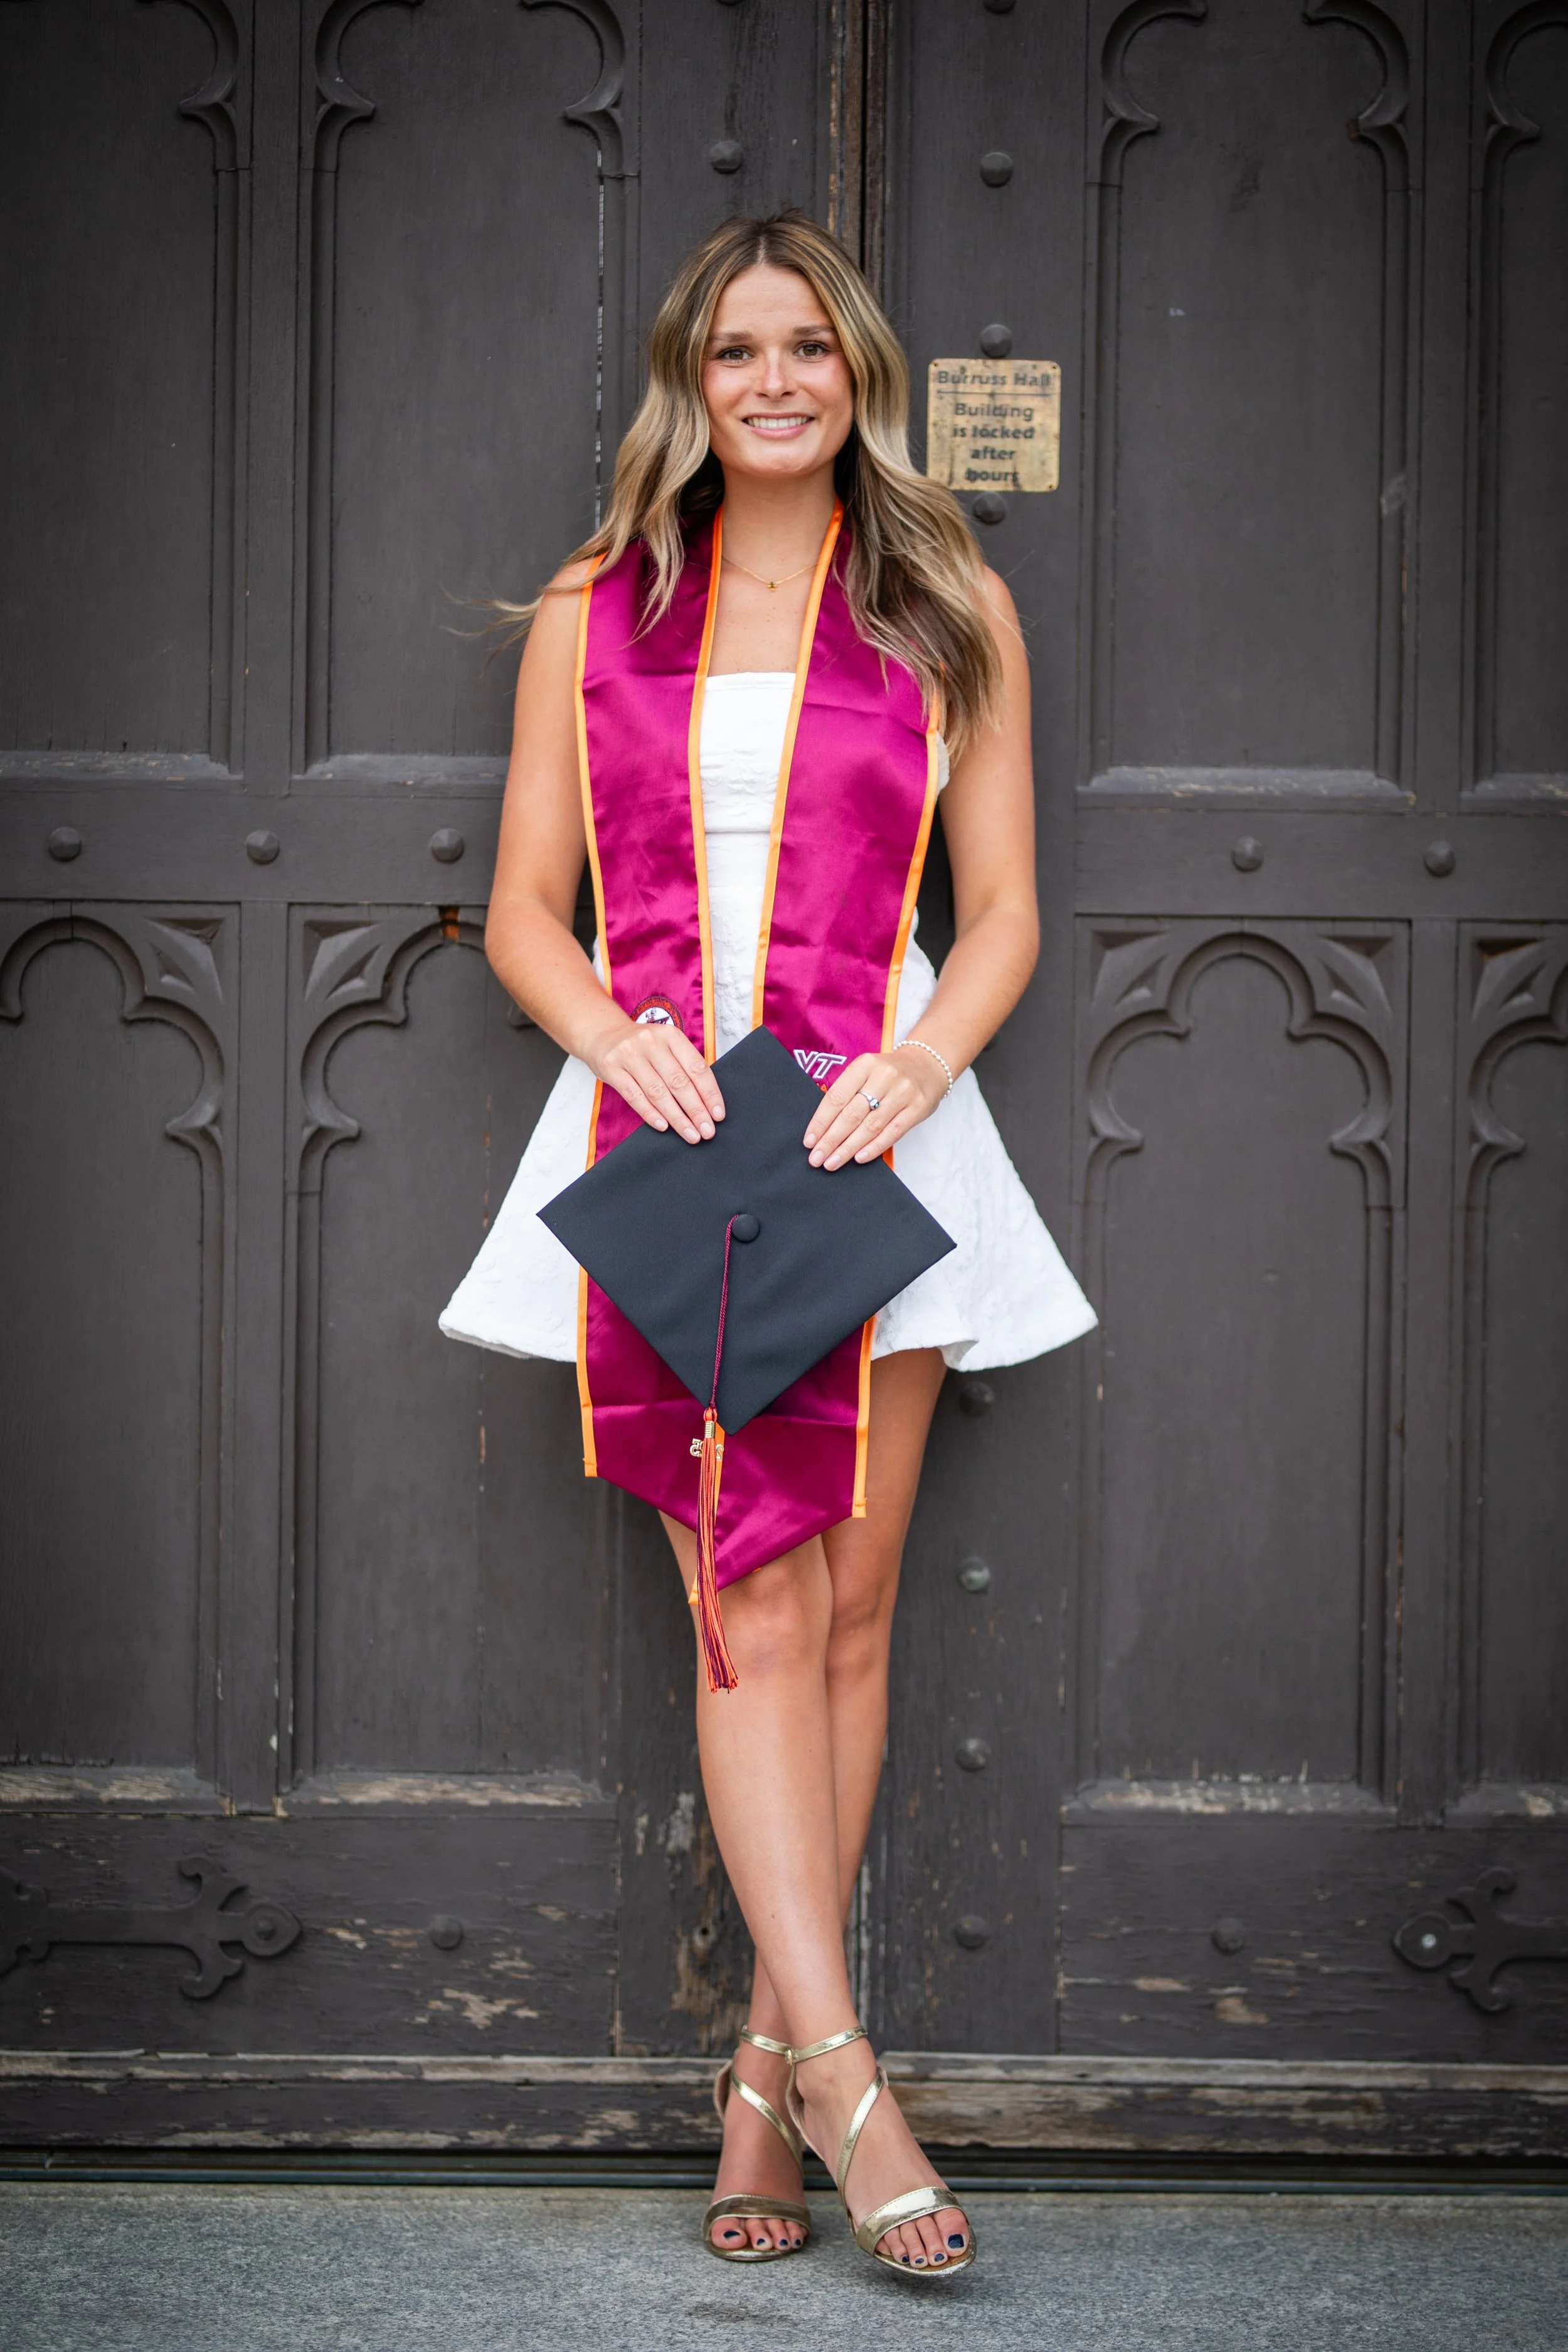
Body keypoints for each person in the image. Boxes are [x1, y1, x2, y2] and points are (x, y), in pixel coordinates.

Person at [441, 210, 1095, 2279]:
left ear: (859, 372)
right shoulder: (595, 603)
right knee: (748, 1598)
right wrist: (608, 1023)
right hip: (669, 1131)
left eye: (810, 346)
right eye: (736, 351)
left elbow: (999, 908)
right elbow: (519, 906)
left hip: (869, 1119)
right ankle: (841, 2075)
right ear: (690, 382)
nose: (776, 379)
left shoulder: (944, 596)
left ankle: (753, 2073)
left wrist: (921, 1059)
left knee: (857, 1602)